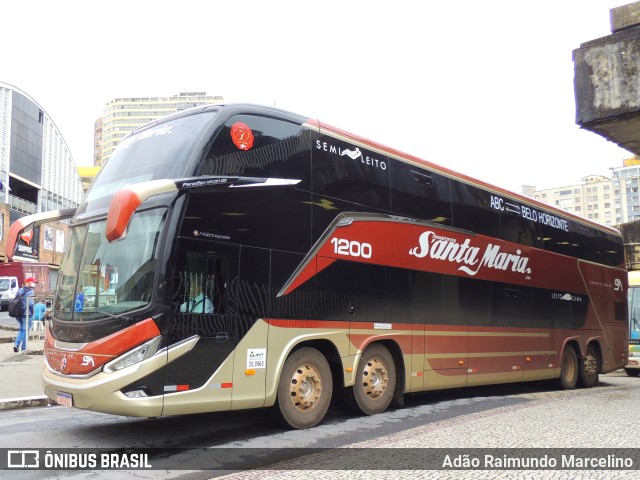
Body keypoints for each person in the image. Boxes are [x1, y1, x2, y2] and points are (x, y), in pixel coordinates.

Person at [13, 277, 37, 353]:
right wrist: (33, 311)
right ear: (29, 282)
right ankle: (24, 348)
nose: (34, 284)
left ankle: (16, 344)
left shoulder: (20, 290)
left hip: (18, 313)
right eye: (33, 282)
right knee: (26, 331)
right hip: (27, 314)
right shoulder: (31, 292)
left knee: (21, 329)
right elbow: (30, 303)